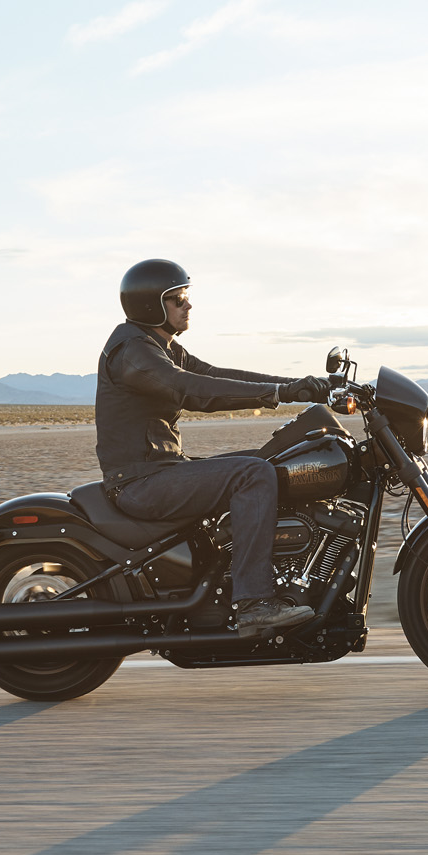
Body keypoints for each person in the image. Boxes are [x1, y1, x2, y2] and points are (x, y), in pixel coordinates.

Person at [95, 258, 334, 634]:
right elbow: (190, 388)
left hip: (163, 471)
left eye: (186, 297)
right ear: (150, 305)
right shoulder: (133, 353)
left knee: (269, 461)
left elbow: (216, 375)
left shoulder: (162, 347)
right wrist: (281, 392)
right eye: (177, 299)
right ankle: (253, 603)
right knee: (252, 475)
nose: (187, 305)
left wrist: (296, 385)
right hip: (141, 483)